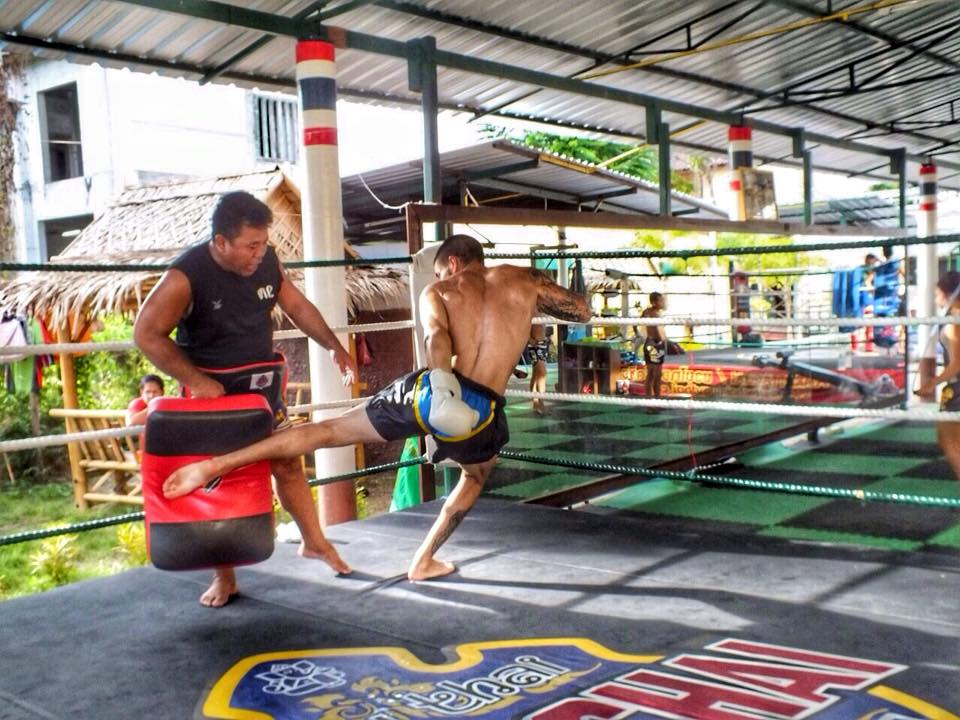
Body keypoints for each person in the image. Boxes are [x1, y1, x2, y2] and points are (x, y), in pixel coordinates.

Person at [162, 233, 591, 582]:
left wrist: (442, 387)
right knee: (474, 478)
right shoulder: (526, 279)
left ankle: (217, 464)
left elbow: (436, 338)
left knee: (330, 431)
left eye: (441, 269)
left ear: (453, 265)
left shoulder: (440, 289)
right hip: (483, 414)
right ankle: (423, 560)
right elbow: (583, 312)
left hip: (430, 395)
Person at [133, 190, 359, 608]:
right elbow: (146, 333)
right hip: (210, 396)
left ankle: (314, 541)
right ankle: (225, 578)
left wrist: (334, 347)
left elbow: (297, 307)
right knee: (215, 481)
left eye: (264, 243)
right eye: (251, 245)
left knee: (288, 462)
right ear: (221, 242)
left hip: (260, 390)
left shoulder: (267, 263)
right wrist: (194, 379)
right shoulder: (185, 276)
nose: (260, 253)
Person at [916, 271, 960, 481]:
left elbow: (956, 366)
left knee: (949, 440)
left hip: (957, 389)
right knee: (947, 438)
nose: (936, 299)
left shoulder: (955, 324)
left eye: (937, 294)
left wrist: (931, 383)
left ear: (948, 294)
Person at [640, 292, 667, 408]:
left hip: (653, 344)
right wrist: (667, 343)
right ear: (654, 302)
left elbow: (637, 323)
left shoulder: (647, 312)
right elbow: (660, 331)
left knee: (657, 374)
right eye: (660, 301)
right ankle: (650, 404)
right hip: (654, 345)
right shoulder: (653, 314)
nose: (662, 303)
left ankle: (656, 402)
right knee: (652, 374)